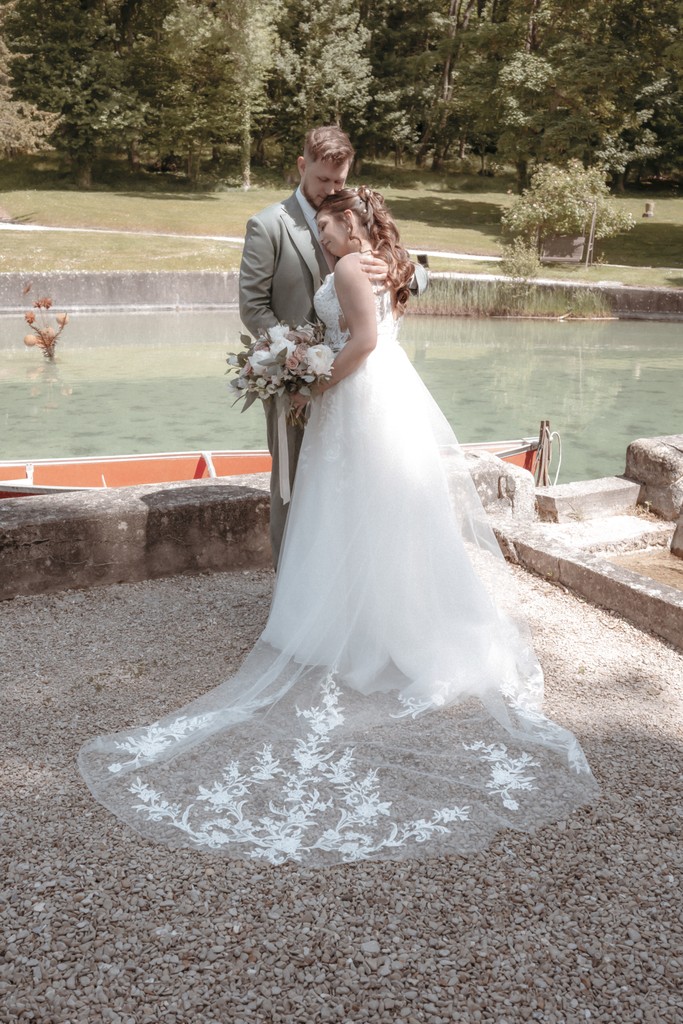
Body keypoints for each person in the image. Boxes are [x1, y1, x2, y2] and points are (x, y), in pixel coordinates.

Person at [78, 187, 597, 866]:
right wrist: (304, 358)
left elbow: (365, 340)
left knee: (354, 507)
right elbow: (374, 320)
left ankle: (363, 629)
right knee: (373, 513)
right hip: (381, 396)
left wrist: (314, 383)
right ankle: (370, 615)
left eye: (326, 230)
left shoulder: (353, 265)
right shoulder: (385, 261)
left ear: (350, 222)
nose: (320, 240)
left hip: (357, 395)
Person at [239, 125, 427, 568]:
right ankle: (292, 585)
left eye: (339, 180)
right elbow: (253, 306)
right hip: (297, 378)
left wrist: (394, 268)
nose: (330, 189)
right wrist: (294, 357)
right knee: (294, 485)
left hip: (358, 380)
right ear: (302, 165)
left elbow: (414, 270)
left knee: (359, 484)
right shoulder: (268, 225)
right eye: (322, 179)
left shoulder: (353, 214)